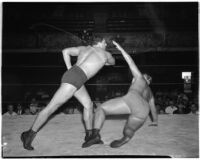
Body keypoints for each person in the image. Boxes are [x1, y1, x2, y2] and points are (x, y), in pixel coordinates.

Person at [21, 36, 115, 150]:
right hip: (75, 79)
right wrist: (105, 60)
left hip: (75, 76)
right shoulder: (105, 54)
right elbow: (112, 62)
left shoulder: (83, 48)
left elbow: (65, 51)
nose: (106, 45)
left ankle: (90, 136)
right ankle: (29, 135)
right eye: (105, 43)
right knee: (51, 107)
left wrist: (69, 68)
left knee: (88, 105)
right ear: (101, 42)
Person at [82, 41, 158, 148]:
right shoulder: (150, 93)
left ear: (145, 79)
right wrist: (155, 121)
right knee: (129, 129)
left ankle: (95, 135)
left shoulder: (140, 78)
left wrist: (121, 49)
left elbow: (130, 62)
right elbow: (153, 108)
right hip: (143, 110)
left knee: (101, 109)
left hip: (132, 99)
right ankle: (126, 138)